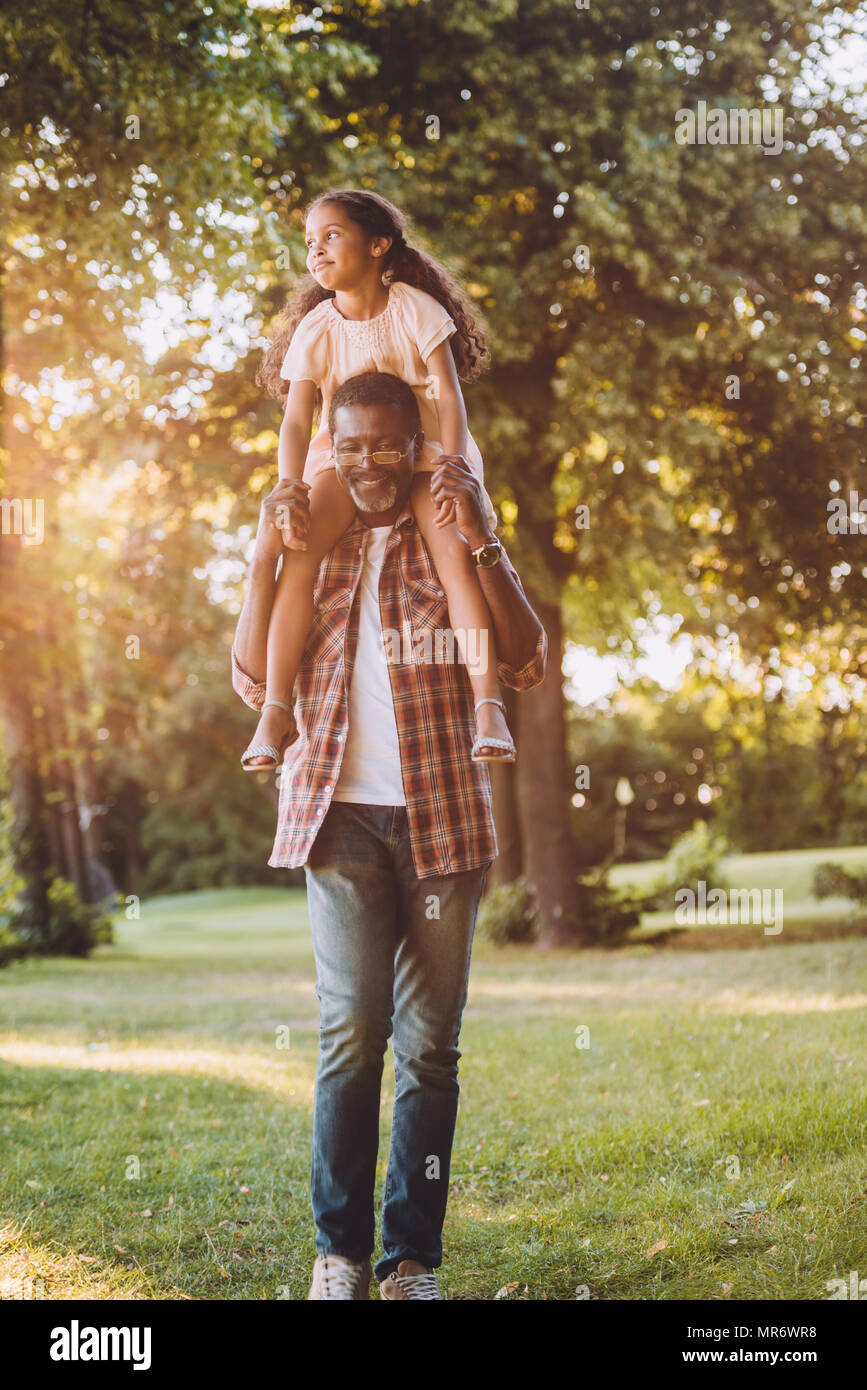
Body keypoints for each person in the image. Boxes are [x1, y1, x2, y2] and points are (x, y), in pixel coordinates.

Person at [232, 371, 547, 1300]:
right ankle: (341, 1255)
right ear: (329, 444)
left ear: (414, 445)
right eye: (350, 442)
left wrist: (487, 540)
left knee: (428, 1047)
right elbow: (254, 677)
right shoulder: (311, 538)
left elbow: (524, 656)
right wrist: (258, 554)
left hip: (445, 815)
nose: (368, 460)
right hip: (337, 816)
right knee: (350, 1032)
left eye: (387, 443)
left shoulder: (447, 521)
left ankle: (412, 1258)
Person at [240, 187, 517, 773]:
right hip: (343, 459)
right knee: (299, 557)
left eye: (331, 235)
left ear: (379, 244)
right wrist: (290, 487)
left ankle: (488, 703)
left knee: (454, 556)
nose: (316, 250)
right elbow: (295, 419)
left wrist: (455, 465)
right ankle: (276, 708)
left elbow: (447, 394)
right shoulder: (316, 328)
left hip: (428, 451)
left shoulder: (415, 309)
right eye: (310, 242)